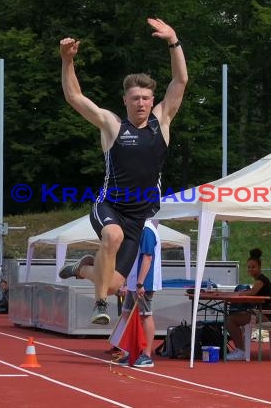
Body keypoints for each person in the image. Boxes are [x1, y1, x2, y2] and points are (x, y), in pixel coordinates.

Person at [58, 17, 188, 325]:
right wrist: (67, 62)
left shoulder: (162, 122)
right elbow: (75, 98)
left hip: (139, 217)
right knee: (112, 237)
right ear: (125, 100)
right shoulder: (112, 125)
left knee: (116, 282)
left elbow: (180, 81)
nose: (141, 103)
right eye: (135, 98)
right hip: (109, 207)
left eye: (145, 98)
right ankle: (100, 304)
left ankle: (83, 269)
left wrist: (173, 40)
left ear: (153, 100)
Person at [116, 220, 162, 368]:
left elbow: (147, 257)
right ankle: (133, 351)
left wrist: (140, 282)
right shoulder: (136, 228)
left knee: (145, 315)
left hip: (144, 281)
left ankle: (147, 355)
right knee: (126, 313)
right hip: (133, 280)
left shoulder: (147, 230)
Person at [226, 248, 271, 361]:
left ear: (259, 267)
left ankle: (241, 351)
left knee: (231, 320)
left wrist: (240, 294)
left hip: (266, 315)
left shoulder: (261, 280)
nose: (250, 269)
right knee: (235, 317)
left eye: (253, 267)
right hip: (262, 313)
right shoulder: (259, 280)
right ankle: (241, 349)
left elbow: (252, 293)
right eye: (249, 267)